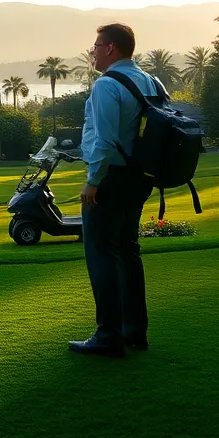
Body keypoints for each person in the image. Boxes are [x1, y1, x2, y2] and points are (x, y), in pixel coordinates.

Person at [71, 23, 158, 358]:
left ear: (110, 48)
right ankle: (134, 331)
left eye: (95, 45)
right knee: (127, 251)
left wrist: (93, 181)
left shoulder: (107, 85)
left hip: (111, 178)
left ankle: (108, 334)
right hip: (138, 177)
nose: (92, 51)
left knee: (102, 254)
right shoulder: (148, 79)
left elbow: (105, 141)